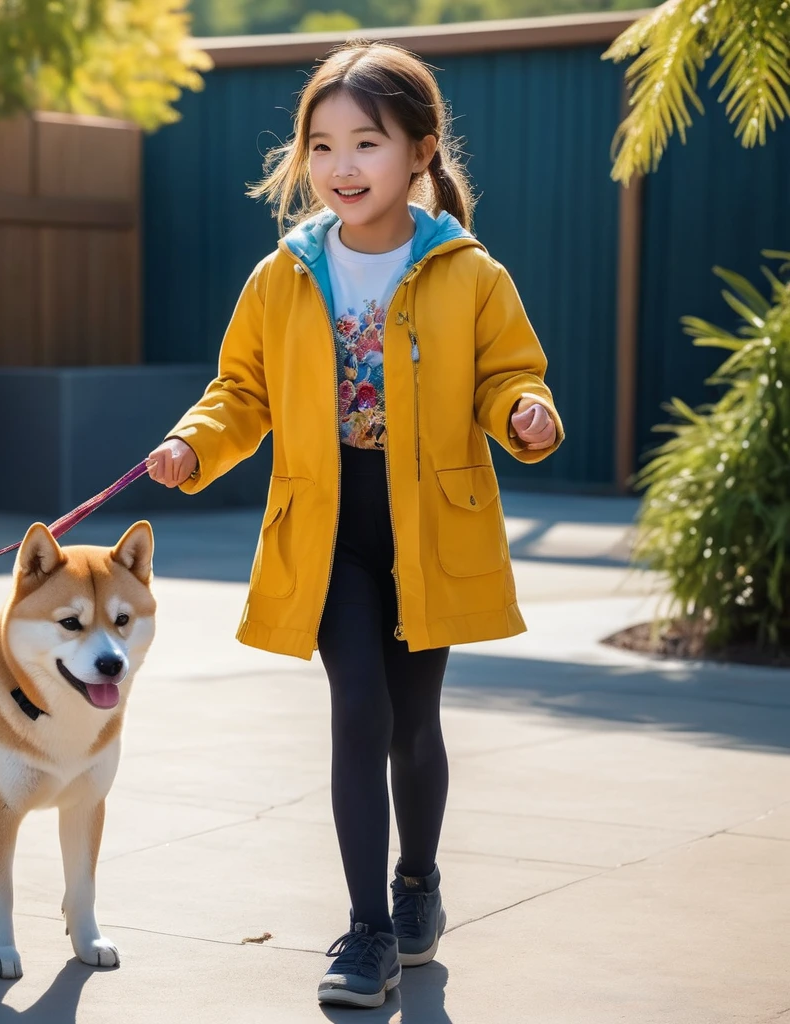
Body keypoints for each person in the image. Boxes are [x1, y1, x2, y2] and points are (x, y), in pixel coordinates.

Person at [146, 40, 562, 1010]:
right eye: (323, 144)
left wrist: (522, 413)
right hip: (326, 526)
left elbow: (511, 372)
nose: (341, 166)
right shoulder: (281, 275)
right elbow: (237, 390)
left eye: (365, 143)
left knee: (414, 722)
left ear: (419, 152)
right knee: (358, 710)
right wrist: (191, 446)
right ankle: (367, 929)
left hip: (430, 523)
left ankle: (418, 884)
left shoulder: (467, 271)